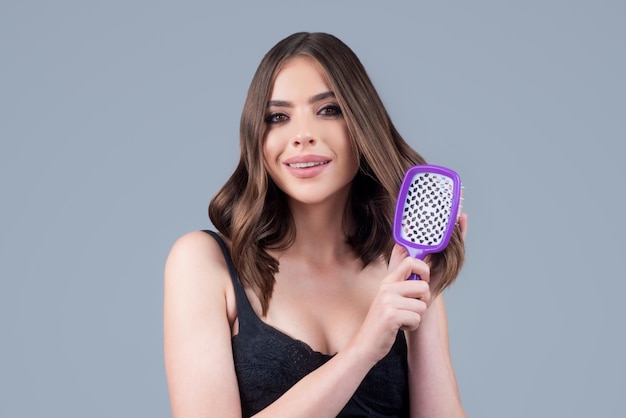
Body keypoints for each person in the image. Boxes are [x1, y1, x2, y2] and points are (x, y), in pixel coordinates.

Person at [164, 31, 468, 417]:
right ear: (258, 137)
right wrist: (364, 349)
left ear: (362, 125)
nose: (302, 135)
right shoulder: (205, 263)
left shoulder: (401, 267)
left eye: (328, 110)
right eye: (278, 117)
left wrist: (423, 305)